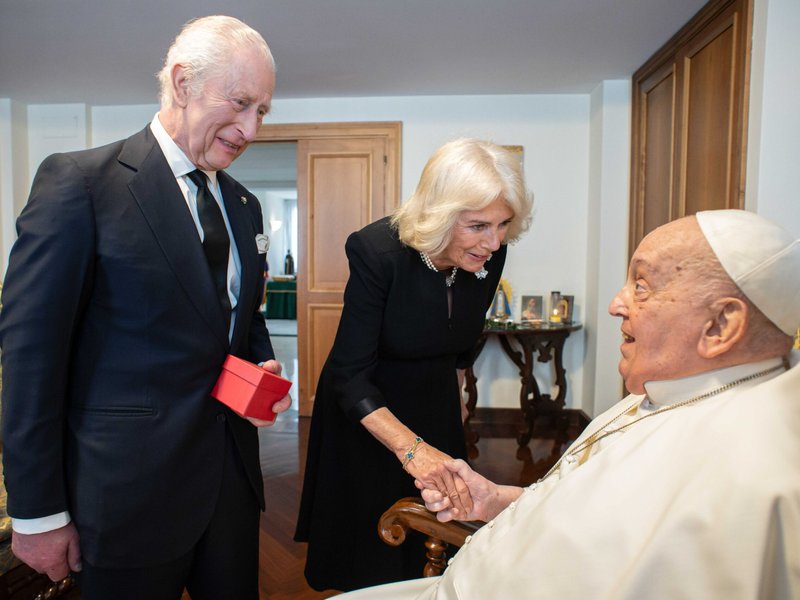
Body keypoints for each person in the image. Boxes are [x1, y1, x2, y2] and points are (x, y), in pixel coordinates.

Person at [338, 209, 800, 599]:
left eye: (641, 285)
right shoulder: (669, 392)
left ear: (721, 325)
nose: (616, 304)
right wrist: (497, 500)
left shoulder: (752, 477)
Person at [0, 15, 291, 600]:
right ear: (183, 84)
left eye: (262, 111)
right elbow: (30, 360)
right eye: (240, 103)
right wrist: (37, 514)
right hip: (124, 498)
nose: (250, 128)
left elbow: (240, 317)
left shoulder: (244, 203)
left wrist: (260, 367)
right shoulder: (80, 184)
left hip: (230, 489)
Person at [294, 139, 533, 591]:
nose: (494, 242)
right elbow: (348, 373)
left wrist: (458, 398)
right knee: (370, 542)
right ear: (440, 214)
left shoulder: (490, 253)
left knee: (436, 527)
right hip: (369, 406)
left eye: (503, 225)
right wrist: (412, 450)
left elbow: (462, 340)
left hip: (434, 397)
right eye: (478, 225)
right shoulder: (376, 251)